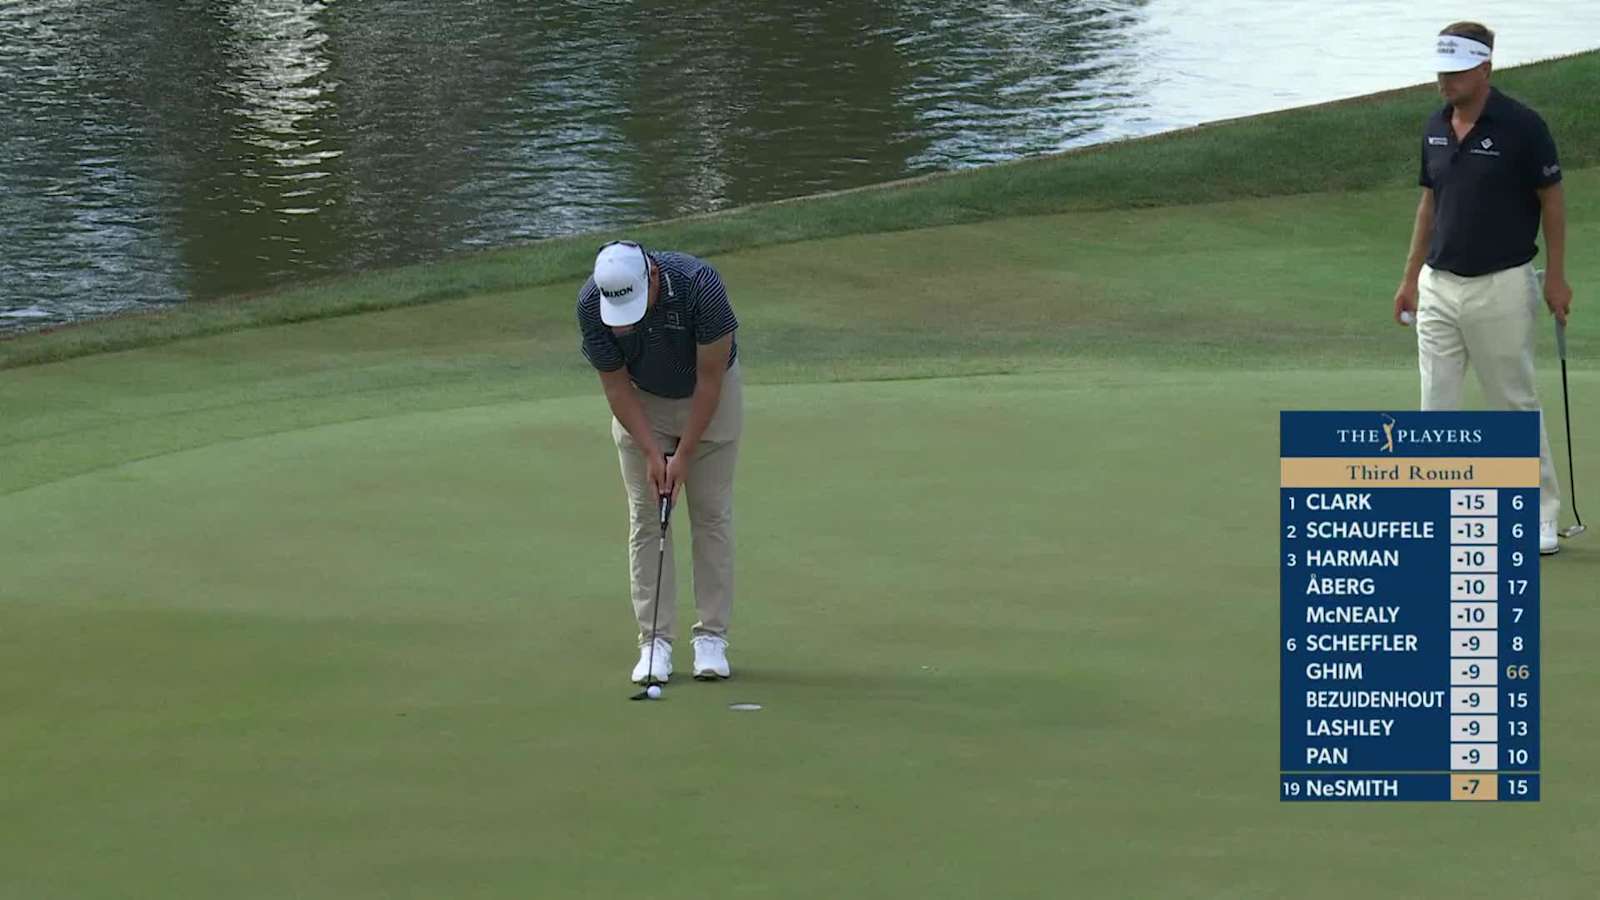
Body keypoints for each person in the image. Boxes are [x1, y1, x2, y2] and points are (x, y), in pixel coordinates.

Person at [1392, 21, 1574, 554]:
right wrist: (1410, 278)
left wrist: (1557, 277)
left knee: (1513, 403)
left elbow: (1553, 202)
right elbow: (1430, 203)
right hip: (1439, 286)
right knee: (1435, 404)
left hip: (1502, 285)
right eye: (1441, 71)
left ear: (1485, 68)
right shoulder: (1433, 127)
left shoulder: (1522, 126)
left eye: (1455, 71)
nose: (1445, 81)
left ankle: (1539, 514)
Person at [578, 240, 744, 681]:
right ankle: (655, 644)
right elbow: (615, 387)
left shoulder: (699, 285)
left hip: (709, 397)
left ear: (651, 277)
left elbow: (711, 381)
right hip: (642, 401)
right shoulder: (592, 303)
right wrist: (653, 453)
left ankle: (711, 637)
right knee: (647, 518)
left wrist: (683, 454)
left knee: (711, 515)